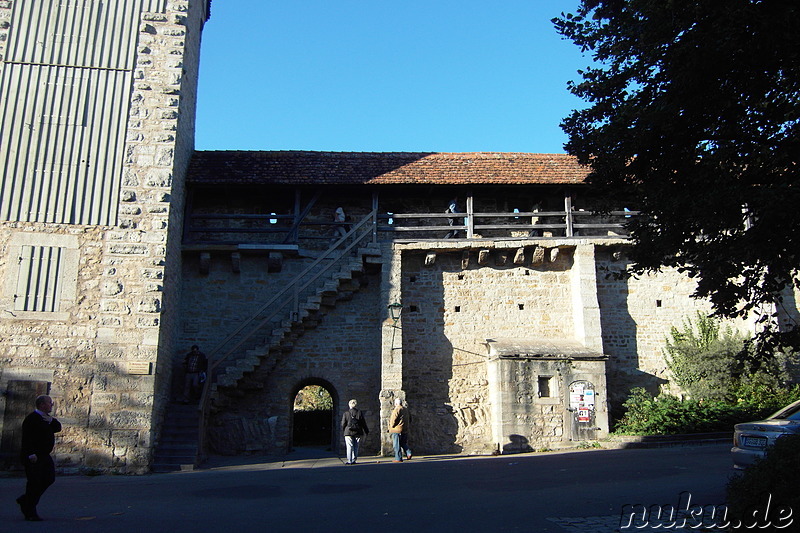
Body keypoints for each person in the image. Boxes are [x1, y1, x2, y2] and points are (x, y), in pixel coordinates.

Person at [16, 395, 61, 521]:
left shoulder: (46, 418)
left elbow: (57, 427)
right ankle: (30, 512)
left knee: (49, 478)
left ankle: (26, 499)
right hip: (33, 456)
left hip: (44, 455)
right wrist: (31, 454)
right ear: (42, 405)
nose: (52, 405)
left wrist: (50, 420)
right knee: (34, 483)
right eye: (49, 403)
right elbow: (27, 438)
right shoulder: (32, 419)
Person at [341, 399, 369, 464]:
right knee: (356, 446)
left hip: (348, 432)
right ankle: (354, 459)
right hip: (357, 431)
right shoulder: (359, 412)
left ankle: (349, 460)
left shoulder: (346, 413)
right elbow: (363, 423)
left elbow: (343, 423)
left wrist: (344, 430)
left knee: (349, 446)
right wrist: (366, 431)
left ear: (349, 405)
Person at [388, 397, 411, 462]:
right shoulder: (406, 409)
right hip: (404, 429)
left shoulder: (397, 409)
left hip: (396, 430)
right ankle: (409, 453)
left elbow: (393, 419)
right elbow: (410, 419)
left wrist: (391, 426)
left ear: (396, 403)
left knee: (396, 445)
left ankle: (398, 458)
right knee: (403, 443)